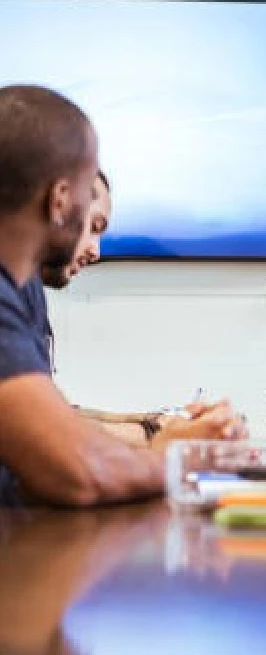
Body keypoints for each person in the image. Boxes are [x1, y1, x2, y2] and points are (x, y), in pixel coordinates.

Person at [0, 85, 242, 506]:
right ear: (60, 200)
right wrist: (178, 458)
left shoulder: (17, 291)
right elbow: (78, 472)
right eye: (84, 197)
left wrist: (158, 434)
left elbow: (51, 425)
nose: (94, 246)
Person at [22, 171, 242, 448]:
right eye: (93, 226)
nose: (96, 252)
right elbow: (42, 428)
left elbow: (55, 412)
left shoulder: (28, 290)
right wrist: (156, 437)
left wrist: (150, 422)